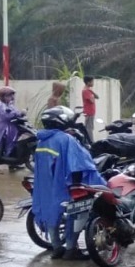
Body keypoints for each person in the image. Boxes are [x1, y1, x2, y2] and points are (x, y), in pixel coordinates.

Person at [33, 105, 107, 259]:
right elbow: (81, 162)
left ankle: (56, 247)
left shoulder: (41, 141)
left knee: (51, 213)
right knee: (77, 213)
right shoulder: (65, 139)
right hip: (67, 185)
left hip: (46, 185)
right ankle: (71, 249)